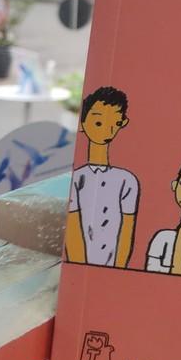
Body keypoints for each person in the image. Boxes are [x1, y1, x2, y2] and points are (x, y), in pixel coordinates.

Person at [65, 86, 139, 268]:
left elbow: (126, 231)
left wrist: (118, 270)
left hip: (113, 267)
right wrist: (79, 268)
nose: (107, 129)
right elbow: (73, 230)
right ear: (82, 123)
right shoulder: (78, 178)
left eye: (115, 122)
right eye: (98, 122)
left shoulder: (127, 180)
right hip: (81, 268)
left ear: (122, 123)